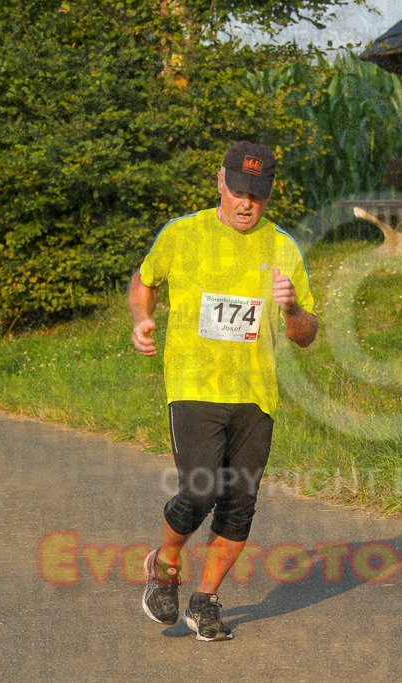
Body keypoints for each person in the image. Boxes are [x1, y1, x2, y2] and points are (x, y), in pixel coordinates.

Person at [129, 141, 318, 641]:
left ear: (268, 194)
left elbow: (306, 335)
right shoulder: (183, 233)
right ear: (220, 182)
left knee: (239, 503)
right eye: (237, 191)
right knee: (200, 488)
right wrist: (142, 318)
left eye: (256, 195)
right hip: (193, 384)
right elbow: (144, 279)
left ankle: (204, 600)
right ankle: (165, 562)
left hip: (256, 395)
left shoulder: (282, 247)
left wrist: (293, 308)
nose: (245, 203)